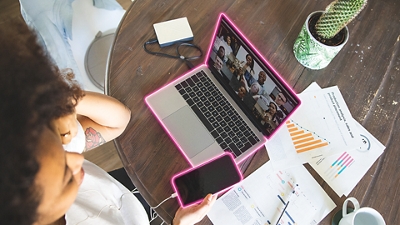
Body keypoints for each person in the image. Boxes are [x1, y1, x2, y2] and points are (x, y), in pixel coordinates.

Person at [0, 21, 217, 225]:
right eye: (65, 178)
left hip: (125, 196)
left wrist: (61, 99)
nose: (77, 159)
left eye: (62, 149)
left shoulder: (35, 154)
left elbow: (117, 121)